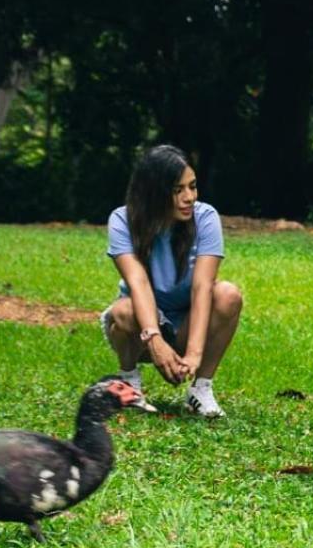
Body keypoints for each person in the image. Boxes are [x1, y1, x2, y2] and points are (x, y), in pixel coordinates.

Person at [101, 144, 243, 417]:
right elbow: (137, 282)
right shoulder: (122, 220)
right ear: (154, 193)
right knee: (122, 310)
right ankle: (129, 380)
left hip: (187, 324)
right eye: (178, 190)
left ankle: (200, 390)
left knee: (228, 294)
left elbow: (203, 287)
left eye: (192, 186)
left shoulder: (206, 218)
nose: (189, 197)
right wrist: (154, 340)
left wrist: (193, 354)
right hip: (140, 326)